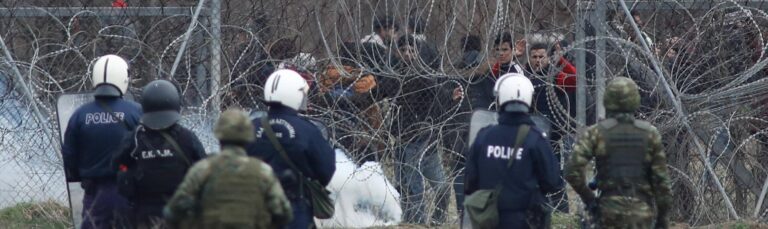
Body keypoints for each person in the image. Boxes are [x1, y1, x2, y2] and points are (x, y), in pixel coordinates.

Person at [564, 77, 672, 228]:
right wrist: (662, 220)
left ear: (608, 100)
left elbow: (571, 171)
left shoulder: (596, 133)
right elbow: (662, 183)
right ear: (635, 100)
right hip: (641, 213)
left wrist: (590, 200)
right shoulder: (650, 134)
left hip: (608, 212)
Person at [163, 109, 293, 228]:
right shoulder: (263, 172)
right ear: (248, 136)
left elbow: (173, 211)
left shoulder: (203, 169)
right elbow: (283, 214)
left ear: (219, 135)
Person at [465, 73, 563, 228]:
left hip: (488, 219)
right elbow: (552, 182)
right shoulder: (535, 139)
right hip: (524, 220)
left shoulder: (485, 136)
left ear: (500, 98)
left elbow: (470, 182)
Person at [246, 69, 336, 229]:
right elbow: (326, 170)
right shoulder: (307, 130)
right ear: (294, 94)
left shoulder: (249, 127)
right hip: (295, 209)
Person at [113, 79, 207, 228]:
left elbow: (116, 164)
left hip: (144, 215)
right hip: (180, 214)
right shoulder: (186, 137)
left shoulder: (135, 138)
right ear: (175, 105)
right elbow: (204, 167)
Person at [62, 54, 141, 228]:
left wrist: (79, 176)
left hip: (94, 194)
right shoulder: (135, 112)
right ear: (123, 78)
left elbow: (69, 154)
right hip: (127, 192)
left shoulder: (80, 115)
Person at [524, 42, 578, 213]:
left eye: (542, 57)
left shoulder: (555, 75)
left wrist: (560, 59)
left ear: (548, 58)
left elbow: (573, 78)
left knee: (554, 173)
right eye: (534, 57)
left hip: (552, 135)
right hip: (529, 134)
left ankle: (561, 209)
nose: (538, 60)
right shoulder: (524, 75)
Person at [469, 32, 525, 110]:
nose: (501, 53)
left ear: (512, 50)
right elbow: (471, 77)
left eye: (505, 50)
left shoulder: (516, 71)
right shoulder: (491, 68)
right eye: (498, 50)